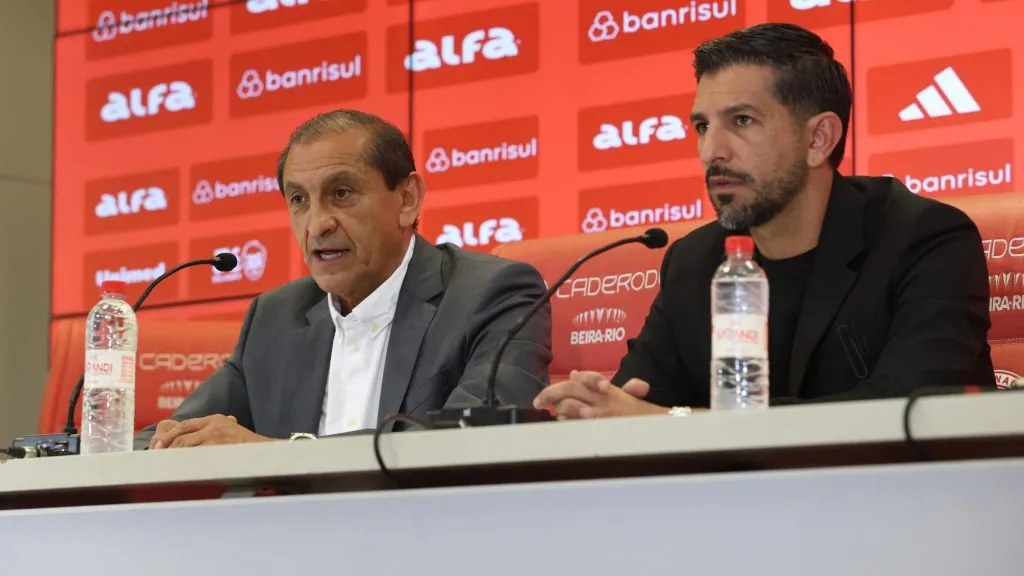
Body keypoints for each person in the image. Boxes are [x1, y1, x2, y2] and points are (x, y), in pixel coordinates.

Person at [534, 22, 996, 419]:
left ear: (818, 139)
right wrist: (596, 407)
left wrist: (669, 420)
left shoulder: (926, 240)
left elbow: (904, 410)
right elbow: (634, 403)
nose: (712, 151)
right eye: (702, 126)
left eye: (742, 121)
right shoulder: (695, 261)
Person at [137, 109, 552, 449]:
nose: (317, 224)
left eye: (341, 193)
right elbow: (171, 435)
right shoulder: (275, 319)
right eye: (299, 199)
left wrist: (271, 453)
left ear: (407, 199)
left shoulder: (492, 294)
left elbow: (473, 443)